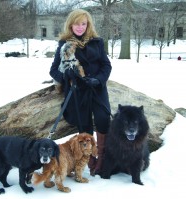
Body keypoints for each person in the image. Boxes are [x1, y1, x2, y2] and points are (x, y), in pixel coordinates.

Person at [49, 9, 112, 176]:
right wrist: (65, 76)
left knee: (103, 118)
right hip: (77, 91)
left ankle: (102, 159)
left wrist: (98, 80)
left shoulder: (97, 42)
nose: (80, 27)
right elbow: (53, 70)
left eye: (83, 24)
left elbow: (106, 65)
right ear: (71, 24)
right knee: (84, 124)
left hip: (96, 88)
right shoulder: (64, 44)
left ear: (88, 25)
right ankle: (89, 159)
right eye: (77, 24)